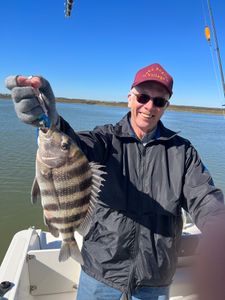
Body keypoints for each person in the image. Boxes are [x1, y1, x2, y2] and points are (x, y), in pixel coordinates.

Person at [5, 63, 225, 300]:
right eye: (143, 97)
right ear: (130, 98)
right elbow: (75, 148)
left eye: (159, 101)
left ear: (165, 107)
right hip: (99, 274)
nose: (149, 106)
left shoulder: (183, 152)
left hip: (155, 283)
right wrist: (50, 122)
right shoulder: (105, 139)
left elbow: (205, 198)